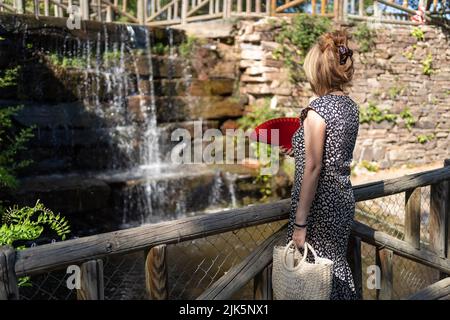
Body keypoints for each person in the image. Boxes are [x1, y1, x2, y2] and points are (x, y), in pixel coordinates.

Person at [280, 30, 359, 300]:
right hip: (342, 200)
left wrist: (300, 224)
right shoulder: (349, 106)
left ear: (317, 71)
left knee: (312, 277)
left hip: (318, 207)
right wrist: (298, 150)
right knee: (333, 268)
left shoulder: (317, 111)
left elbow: (314, 168)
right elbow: (332, 153)